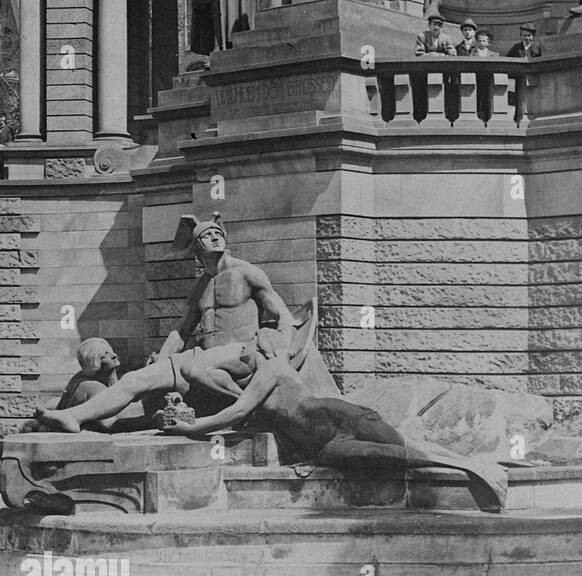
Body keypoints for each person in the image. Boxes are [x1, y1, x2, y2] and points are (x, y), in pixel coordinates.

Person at [164, 331, 509, 512]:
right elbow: (218, 386)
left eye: (245, 351)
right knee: (394, 454)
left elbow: (236, 412)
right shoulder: (257, 384)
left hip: (338, 415)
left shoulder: (272, 369)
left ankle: (475, 467)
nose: (241, 357)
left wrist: (190, 428)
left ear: (262, 350)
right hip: (327, 445)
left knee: (400, 445)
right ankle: (473, 468)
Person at [36, 217, 294, 432]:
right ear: (197, 248)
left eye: (218, 233)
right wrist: (163, 359)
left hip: (241, 352)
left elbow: (284, 316)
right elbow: (181, 332)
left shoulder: (247, 272)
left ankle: (246, 406)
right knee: (136, 378)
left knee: (193, 366)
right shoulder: (200, 287)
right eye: (208, 235)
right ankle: (74, 416)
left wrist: (282, 354)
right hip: (204, 356)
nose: (216, 237)